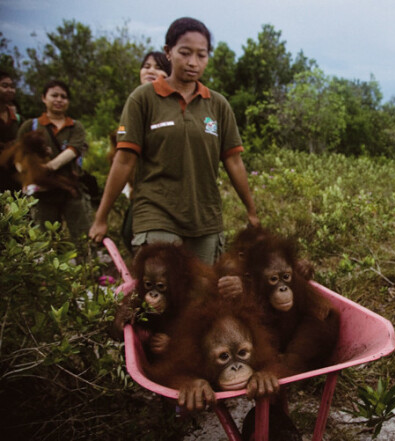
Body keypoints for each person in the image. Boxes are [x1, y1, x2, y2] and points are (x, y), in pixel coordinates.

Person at [89, 17, 259, 265]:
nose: (193, 62)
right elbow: (124, 161)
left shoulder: (217, 104)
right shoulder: (142, 99)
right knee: (162, 292)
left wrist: (251, 210)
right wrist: (101, 217)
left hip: (205, 219)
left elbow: (234, 162)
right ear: (168, 52)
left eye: (201, 55)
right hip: (156, 213)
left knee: (201, 298)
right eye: (185, 53)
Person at [108, 51, 171, 251]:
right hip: (140, 189)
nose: (150, 70)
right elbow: (123, 153)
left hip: (164, 189)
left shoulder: (169, 106)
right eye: (146, 66)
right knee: (129, 235)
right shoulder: (134, 102)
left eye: (158, 67)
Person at [15, 80, 93, 241]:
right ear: (44, 98)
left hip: (71, 189)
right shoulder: (31, 125)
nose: (59, 100)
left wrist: (48, 167)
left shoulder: (75, 127)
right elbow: (18, 153)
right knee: (46, 241)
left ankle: (86, 265)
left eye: (63, 97)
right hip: (42, 194)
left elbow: (73, 150)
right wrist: (27, 174)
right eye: (54, 95)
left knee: (82, 238)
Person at [0, 71, 22, 193]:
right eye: (4, 86)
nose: (10, 90)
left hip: (13, 177)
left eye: (12, 87)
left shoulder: (17, 119)